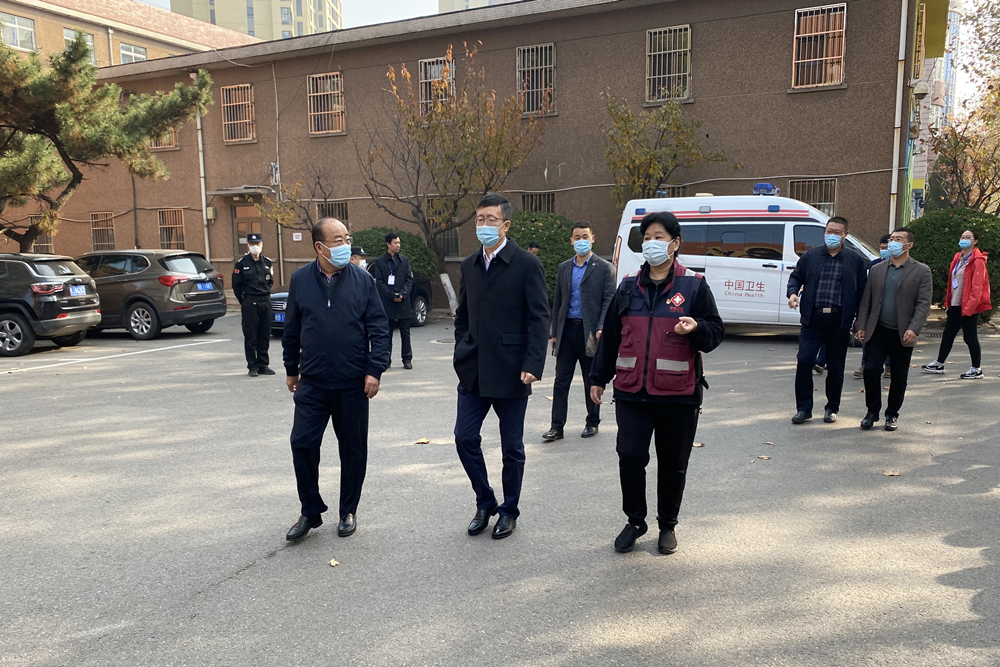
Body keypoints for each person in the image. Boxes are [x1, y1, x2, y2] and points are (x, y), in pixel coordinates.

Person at [591, 212, 724, 556]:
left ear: (675, 243)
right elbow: (611, 337)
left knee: (673, 462)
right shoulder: (627, 287)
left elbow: (715, 332)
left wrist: (696, 328)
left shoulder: (693, 285)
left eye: (659, 237)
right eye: (647, 237)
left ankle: (668, 525)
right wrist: (598, 378)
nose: (652, 243)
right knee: (630, 456)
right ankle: (635, 521)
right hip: (631, 391)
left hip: (679, 394)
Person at [281, 218, 390, 541]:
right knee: (302, 444)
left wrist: (375, 370)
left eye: (347, 239)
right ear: (320, 247)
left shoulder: (362, 280)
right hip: (313, 382)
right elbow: (292, 328)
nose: (345, 245)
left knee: (353, 450)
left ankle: (348, 511)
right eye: (338, 240)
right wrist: (291, 368)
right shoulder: (300, 279)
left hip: (352, 382)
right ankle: (310, 510)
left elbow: (379, 328)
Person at [453, 193, 549, 540]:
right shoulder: (469, 265)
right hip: (474, 369)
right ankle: (485, 501)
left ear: (505, 225)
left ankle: (509, 510)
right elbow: (462, 314)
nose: (483, 225)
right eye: (479, 219)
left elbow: (539, 317)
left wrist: (533, 362)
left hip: (512, 370)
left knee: (512, 448)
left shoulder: (526, 264)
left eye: (490, 219)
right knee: (464, 437)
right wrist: (461, 347)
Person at [786, 217, 868, 424]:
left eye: (837, 232)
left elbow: (862, 291)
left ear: (845, 235)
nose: (832, 235)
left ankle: (832, 408)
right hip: (812, 320)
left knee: (835, 368)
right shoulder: (811, 255)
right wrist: (793, 293)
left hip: (839, 321)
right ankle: (803, 409)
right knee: (804, 362)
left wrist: (860, 320)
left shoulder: (855, 260)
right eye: (829, 231)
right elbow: (796, 277)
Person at [542, 221, 615, 442]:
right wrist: (554, 332)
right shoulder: (564, 268)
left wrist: (602, 326)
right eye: (577, 237)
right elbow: (558, 301)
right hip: (567, 331)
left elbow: (609, 301)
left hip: (590, 333)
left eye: (585, 236)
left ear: (592, 238)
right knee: (560, 381)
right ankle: (556, 427)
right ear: (571, 241)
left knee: (591, 380)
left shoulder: (604, 268)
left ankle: (592, 422)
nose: (581, 240)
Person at [855, 227, 933, 431]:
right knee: (871, 370)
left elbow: (923, 304)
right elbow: (866, 300)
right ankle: (872, 412)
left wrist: (914, 329)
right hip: (877, 330)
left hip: (903, 332)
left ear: (909, 245)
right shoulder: (877, 269)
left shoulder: (921, 270)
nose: (893, 243)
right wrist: (861, 325)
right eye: (891, 239)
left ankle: (892, 414)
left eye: (898, 239)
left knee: (899, 376)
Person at [922, 229, 991, 379]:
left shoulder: (978, 260)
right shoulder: (958, 258)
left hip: (968, 306)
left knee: (970, 336)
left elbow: (978, 287)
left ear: (975, 241)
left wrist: (969, 308)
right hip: (955, 304)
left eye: (968, 237)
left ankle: (976, 369)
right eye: (962, 237)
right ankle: (939, 363)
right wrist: (948, 303)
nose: (964, 239)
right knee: (948, 334)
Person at [232, 233, 274, 377]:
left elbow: (270, 280)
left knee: (264, 335)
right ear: (248, 245)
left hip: (265, 302)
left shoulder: (267, 262)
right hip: (250, 303)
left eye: (257, 244)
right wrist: (244, 301)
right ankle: (252, 366)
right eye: (252, 244)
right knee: (251, 336)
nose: (255, 246)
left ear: (262, 244)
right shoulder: (241, 263)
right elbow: (236, 285)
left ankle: (263, 365)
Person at [371, 233, 414, 370]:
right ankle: (386, 359)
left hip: (403, 302)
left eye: (399, 243)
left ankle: (407, 359)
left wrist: (402, 294)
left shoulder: (404, 260)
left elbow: (409, 280)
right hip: (387, 303)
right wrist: (391, 295)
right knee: (387, 333)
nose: (398, 245)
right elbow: (379, 282)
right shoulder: (380, 261)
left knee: (405, 333)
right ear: (388, 244)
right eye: (395, 243)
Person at [854, 234, 893, 379]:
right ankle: (865, 365)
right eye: (882, 248)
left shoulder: (898, 266)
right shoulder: (874, 265)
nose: (884, 250)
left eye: (887, 248)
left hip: (889, 307)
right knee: (868, 338)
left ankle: (889, 366)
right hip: (873, 306)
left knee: (889, 339)